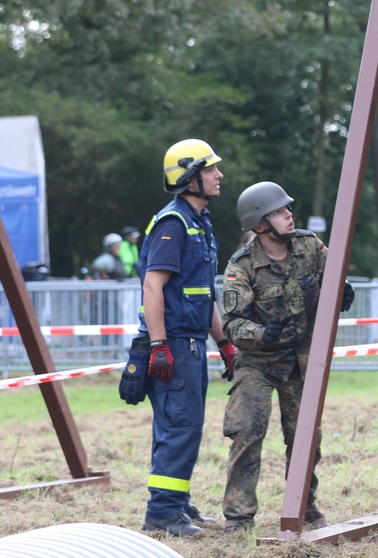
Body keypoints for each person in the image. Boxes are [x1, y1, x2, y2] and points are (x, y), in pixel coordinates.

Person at [219, 181, 355, 532]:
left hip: (301, 362)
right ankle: (239, 517)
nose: (288, 215)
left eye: (287, 209)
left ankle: (306, 508)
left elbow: (333, 278)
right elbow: (233, 324)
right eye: (279, 212)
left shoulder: (310, 246)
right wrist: (263, 335)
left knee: (306, 439)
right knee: (247, 431)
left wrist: (342, 292)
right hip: (257, 365)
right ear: (260, 224)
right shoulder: (242, 265)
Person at [137, 138, 237, 537]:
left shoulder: (199, 223)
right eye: (211, 169)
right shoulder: (173, 223)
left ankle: (176, 504)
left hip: (192, 342)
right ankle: (161, 513)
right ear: (190, 177)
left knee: (185, 426)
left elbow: (201, 293)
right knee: (180, 427)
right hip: (174, 343)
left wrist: (224, 342)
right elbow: (152, 287)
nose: (219, 175)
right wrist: (160, 346)